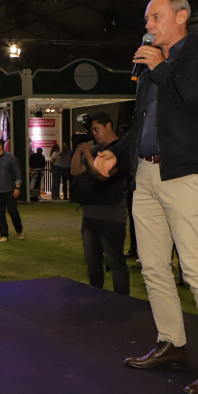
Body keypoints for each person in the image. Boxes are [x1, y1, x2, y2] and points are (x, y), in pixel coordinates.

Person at [93, 0, 198, 394]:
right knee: (153, 267)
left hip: (187, 176)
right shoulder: (150, 69)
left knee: (196, 268)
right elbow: (143, 126)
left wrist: (162, 68)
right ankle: (172, 344)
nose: (147, 25)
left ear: (181, 16)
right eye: (146, 19)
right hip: (147, 175)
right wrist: (115, 155)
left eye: (154, 17)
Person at [70, 113, 130, 295]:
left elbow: (102, 175)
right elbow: (75, 171)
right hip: (90, 214)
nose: (94, 134)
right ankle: (96, 297)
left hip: (111, 214)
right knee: (92, 261)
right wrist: (80, 149)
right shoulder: (96, 150)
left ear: (108, 126)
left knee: (115, 261)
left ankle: (122, 301)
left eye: (97, 129)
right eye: (92, 130)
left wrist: (88, 154)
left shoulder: (120, 149)